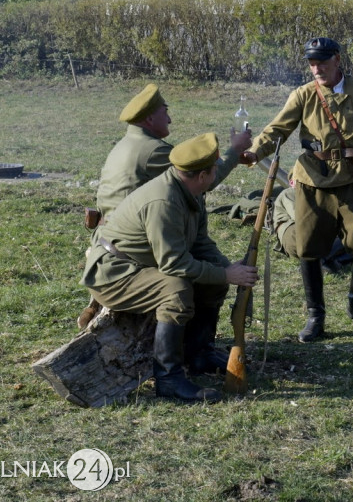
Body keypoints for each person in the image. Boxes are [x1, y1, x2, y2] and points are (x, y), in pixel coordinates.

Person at [80, 133, 259, 402]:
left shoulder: (191, 191)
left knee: (212, 278)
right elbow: (174, 263)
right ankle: (168, 378)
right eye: (213, 171)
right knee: (175, 289)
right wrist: (226, 273)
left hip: (140, 266)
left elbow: (199, 243)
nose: (216, 175)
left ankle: (198, 354)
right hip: (114, 273)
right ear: (202, 176)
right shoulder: (164, 201)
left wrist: (228, 271)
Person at [241, 37, 353, 343]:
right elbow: (277, 130)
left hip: (352, 179)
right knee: (308, 248)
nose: (317, 69)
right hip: (312, 180)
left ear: (338, 59)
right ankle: (316, 315)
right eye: (312, 64)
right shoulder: (303, 94)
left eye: (322, 63)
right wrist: (254, 152)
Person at [95, 83, 252, 219]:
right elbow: (204, 180)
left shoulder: (126, 144)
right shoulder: (154, 151)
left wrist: (234, 156)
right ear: (149, 119)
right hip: (130, 238)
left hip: (112, 230)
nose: (169, 120)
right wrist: (235, 150)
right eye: (165, 113)